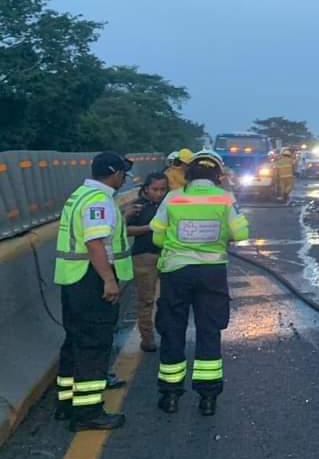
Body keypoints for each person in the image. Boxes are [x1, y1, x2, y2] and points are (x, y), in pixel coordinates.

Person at [151, 150, 249, 416]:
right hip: (212, 273)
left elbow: (157, 238)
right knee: (209, 330)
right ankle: (208, 398)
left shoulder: (173, 197)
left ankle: (170, 396)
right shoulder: (225, 198)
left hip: (176, 271)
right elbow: (241, 232)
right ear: (218, 175)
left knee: (173, 329)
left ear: (189, 173)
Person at [53, 152, 135, 432]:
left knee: (74, 341)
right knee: (93, 345)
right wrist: (109, 280)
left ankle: (66, 403)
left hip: (73, 280)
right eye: (123, 172)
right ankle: (88, 412)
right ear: (114, 173)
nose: (124, 178)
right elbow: (95, 243)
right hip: (90, 280)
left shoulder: (81, 194)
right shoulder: (99, 201)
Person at [123, 172, 169, 352]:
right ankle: (147, 339)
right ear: (146, 189)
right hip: (144, 257)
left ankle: (168, 333)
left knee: (169, 299)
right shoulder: (137, 207)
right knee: (146, 300)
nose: (159, 193)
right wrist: (149, 228)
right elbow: (124, 230)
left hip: (168, 257)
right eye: (155, 189)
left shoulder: (171, 206)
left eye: (163, 189)